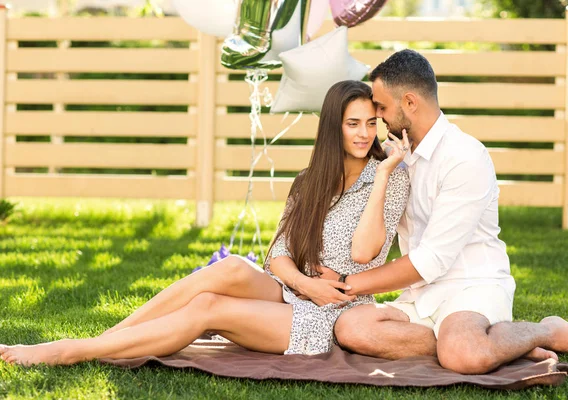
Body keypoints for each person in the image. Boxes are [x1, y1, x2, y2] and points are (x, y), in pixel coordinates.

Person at [0, 80, 436, 366]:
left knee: (208, 308)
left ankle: (73, 351)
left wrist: (380, 177)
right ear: (332, 128)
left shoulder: (391, 176)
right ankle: (110, 340)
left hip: (335, 309)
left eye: (371, 123)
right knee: (226, 270)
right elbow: (278, 253)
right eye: (352, 123)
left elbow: (364, 253)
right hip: (299, 289)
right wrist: (304, 284)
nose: (363, 134)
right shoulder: (310, 180)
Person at [317, 50, 568, 374]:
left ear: (409, 103)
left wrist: (345, 283)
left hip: (472, 288)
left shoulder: (465, 157)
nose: (377, 117)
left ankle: (547, 330)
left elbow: (431, 260)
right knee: (351, 327)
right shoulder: (399, 156)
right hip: (422, 295)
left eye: (381, 107)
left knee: (463, 354)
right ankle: (494, 345)